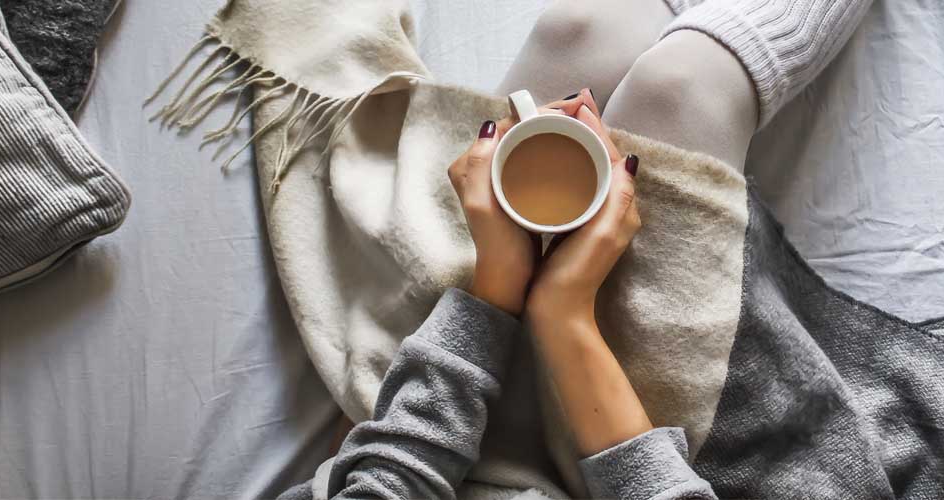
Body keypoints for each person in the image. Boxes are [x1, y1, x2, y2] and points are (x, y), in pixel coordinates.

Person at [283, 0, 870, 497]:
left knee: (577, 30)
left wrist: (491, 297)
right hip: (627, 449)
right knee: (678, 90)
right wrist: (563, 313)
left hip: (426, 408)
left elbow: (391, 475)